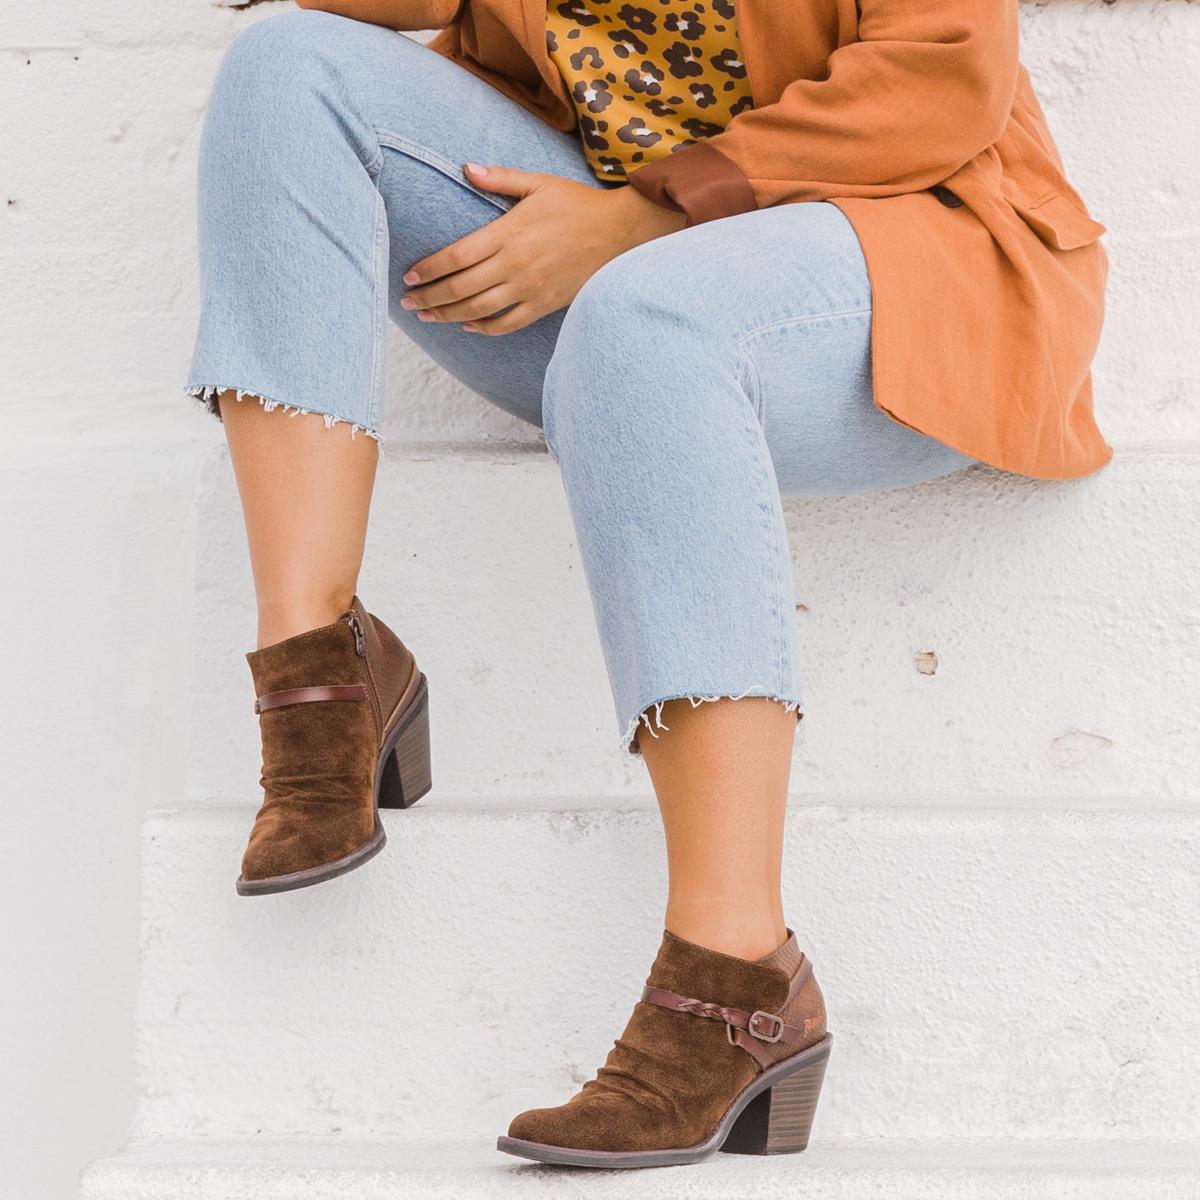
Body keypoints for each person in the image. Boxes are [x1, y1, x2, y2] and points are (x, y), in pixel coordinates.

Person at [183, 0, 1111, 1168]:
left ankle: (737, 979)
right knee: (284, 67)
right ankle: (319, 672)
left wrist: (642, 216)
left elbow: (943, 76)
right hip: (596, 271)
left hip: (896, 262)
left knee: (648, 311)